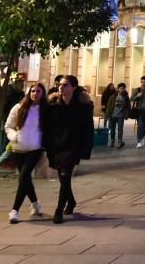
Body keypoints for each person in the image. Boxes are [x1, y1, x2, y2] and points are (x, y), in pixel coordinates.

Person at [46, 75, 93, 224]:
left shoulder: (83, 106)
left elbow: (88, 129)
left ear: (73, 87)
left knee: (65, 175)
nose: (61, 87)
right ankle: (71, 201)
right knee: (62, 178)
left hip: (73, 146)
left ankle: (58, 210)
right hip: (57, 146)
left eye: (65, 85)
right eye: (60, 84)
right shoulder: (53, 104)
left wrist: (86, 149)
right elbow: (48, 128)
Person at [5, 82, 48, 223]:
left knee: (23, 177)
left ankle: (14, 210)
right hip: (19, 148)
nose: (35, 94)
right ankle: (35, 204)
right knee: (26, 180)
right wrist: (13, 136)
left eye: (39, 91)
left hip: (34, 149)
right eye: (33, 91)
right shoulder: (18, 108)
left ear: (43, 94)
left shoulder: (45, 110)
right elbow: (8, 126)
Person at [106, 82, 130, 148]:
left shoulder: (126, 97)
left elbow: (128, 106)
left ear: (125, 89)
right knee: (112, 129)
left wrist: (127, 114)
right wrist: (107, 115)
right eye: (120, 88)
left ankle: (119, 142)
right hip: (113, 115)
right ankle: (112, 141)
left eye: (123, 89)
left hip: (121, 116)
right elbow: (109, 106)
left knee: (120, 129)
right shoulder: (113, 96)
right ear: (118, 89)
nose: (122, 90)